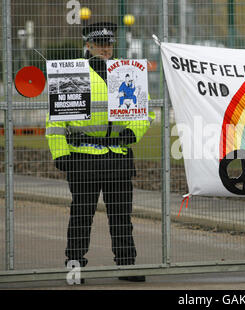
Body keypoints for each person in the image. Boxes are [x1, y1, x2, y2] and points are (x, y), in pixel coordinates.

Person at [45, 22, 154, 282]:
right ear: (88, 45)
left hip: (117, 156)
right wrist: (60, 154)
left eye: (109, 43)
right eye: (100, 44)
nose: (105, 48)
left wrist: (133, 132)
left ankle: (127, 266)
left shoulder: (126, 72)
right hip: (82, 158)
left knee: (121, 217)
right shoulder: (72, 73)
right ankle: (74, 267)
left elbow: (143, 110)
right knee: (81, 217)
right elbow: (56, 120)